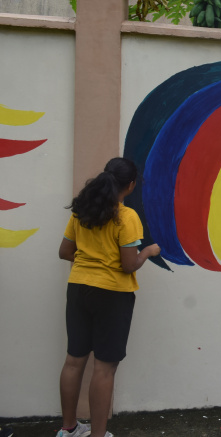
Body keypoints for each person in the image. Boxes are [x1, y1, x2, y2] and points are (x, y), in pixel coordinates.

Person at [57, 158, 160, 437]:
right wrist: (149, 251)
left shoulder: (82, 211)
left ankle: (67, 430)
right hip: (112, 295)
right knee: (104, 368)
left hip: (78, 288)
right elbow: (129, 265)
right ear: (130, 185)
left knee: (74, 360)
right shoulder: (126, 217)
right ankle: (97, 435)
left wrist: (90, 260)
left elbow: (65, 252)